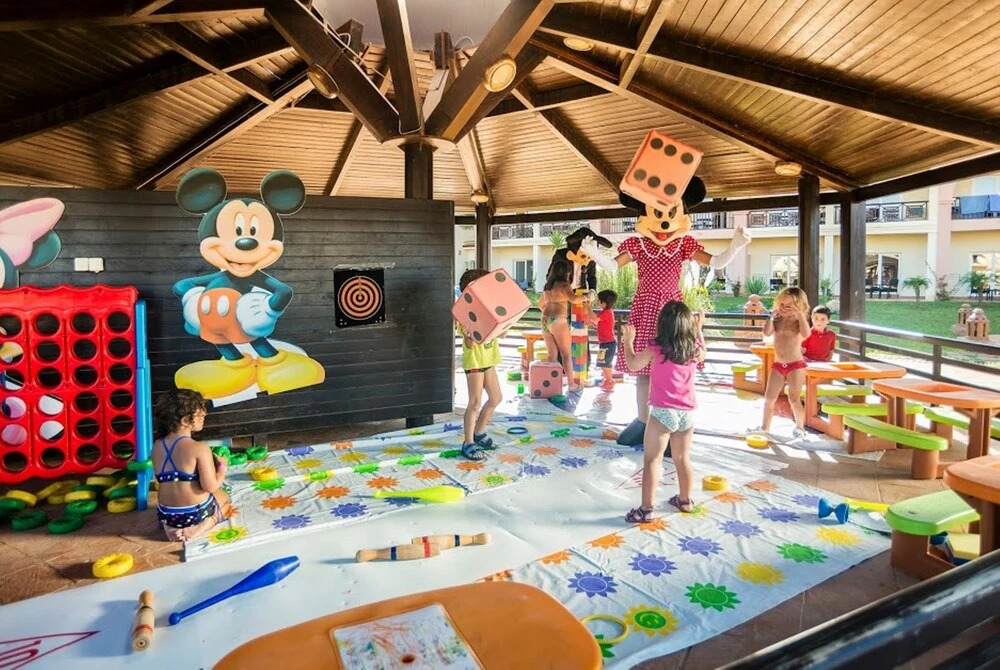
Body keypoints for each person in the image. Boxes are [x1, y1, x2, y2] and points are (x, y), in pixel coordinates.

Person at [583, 180, 750, 446]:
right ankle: (644, 421)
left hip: (672, 313)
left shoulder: (682, 244)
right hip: (646, 308)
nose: (663, 223)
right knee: (643, 372)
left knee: (674, 367)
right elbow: (613, 267)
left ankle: (671, 422)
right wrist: (595, 255)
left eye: (670, 214)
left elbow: (716, 262)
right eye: (656, 214)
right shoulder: (639, 245)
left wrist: (736, 246)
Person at [621, 301, 705, 521]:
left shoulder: (656, 347)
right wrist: (699, 330)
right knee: (682, 457)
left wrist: (628, 342)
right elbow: (703, 352)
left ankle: (646, 510)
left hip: (663, 413)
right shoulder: (694, 348)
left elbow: (633, 365)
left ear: (662, 324)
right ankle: (685, 500)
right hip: (687, 414)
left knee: (652, 461)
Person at [153, 389, 232, 542]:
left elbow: (164, 479)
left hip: (167, 514)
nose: (204, 416)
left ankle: (170, 527)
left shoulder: (157, 445)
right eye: (200, 415)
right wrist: (222, 467)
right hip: (194, 514)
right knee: (224, 498)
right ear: (184, 421)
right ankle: (203, 525)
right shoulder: (199, 448)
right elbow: (210, 486)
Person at [457, 269, 503, 461]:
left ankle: (479, 432)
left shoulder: (489, 309)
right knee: (475, 402)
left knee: (496, 398)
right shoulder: (464, 313)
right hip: (475, 362)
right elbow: (468, 344)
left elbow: (501, 333)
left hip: (488, 360)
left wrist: (504, 325)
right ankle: (468, 442)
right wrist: (470, 337)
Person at [759, 287, 811, 437]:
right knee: (769, 398)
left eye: (789, 306)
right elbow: (766, 332)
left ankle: (800, 428)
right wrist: (771, 317)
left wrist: (800, 315)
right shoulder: (778, 319)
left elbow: (806, 334)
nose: (784, 308)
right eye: (782, 304)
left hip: (795, 365)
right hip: (778, 365)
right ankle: (765, 428)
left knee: (794, 398)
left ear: (798, 306)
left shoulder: (798, 321)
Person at [539, 259, 589, 393]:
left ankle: (549, 384)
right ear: (566, 272)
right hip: (558, 320)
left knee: (552, 355)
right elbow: (574, 299)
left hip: (545, 320)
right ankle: (571, 384)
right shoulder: (564, 286)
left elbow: (540, 305)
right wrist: (587, 297)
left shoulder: (547, 287)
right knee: (566, 354)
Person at [592, 290, 618, 391]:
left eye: (598, 300)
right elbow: (597, 323)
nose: (597, 302)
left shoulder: (606, 312)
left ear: (603, 302)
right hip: (606, 343)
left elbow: (595, 319)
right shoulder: (606, 312)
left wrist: (588, 308)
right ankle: (608, 380)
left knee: (604, 363)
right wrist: (591, 322)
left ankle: (609, 381)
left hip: (607, 343)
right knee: (604, 363)